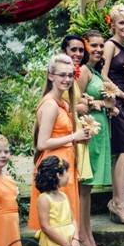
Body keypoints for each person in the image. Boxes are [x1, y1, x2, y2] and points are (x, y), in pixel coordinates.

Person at [28, 54, 91, 230]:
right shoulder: (50, 105)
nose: (67, 79)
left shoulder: (61, 103)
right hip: (53, 169)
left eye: (70, 75)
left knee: (68, 222)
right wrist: (73, 137)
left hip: (65, 165)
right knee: (59, 224)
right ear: (50, 76)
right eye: (62, 75)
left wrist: (81, 137)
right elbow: (42, 143)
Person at [77, 30, 117, 246]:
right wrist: (100, 104)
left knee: (88, 190)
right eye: (94, 45)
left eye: (102, 45)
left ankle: (88, 234)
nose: (99, 49)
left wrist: (109, 106)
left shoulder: (95, 70)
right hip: (88, 132)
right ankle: (82, 237)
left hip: (100, 131)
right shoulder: (82, 71)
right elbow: (75, 100)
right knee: (84, 189)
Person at [33, 155, 89, 246]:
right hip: (54, 243)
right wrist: (64, 243)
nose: (69, 175)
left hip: (70, 242)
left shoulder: (63, 196)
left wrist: (76, 238)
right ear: (58, 175)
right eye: (67, 172)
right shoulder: (44, 199)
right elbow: (45, 226)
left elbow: (73, 219)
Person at [102, 4, 124, 224]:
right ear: (113, 24)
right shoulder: (110, 45)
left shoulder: (123, 48)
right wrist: (123, 97)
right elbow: (102, 75)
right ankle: (118, 202)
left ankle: (117, 201)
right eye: (122, 22)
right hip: (116, 102)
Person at [61, 35, 93, 185]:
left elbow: (73, 98)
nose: (78, 54)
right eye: (73, 49)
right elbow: (55, 102)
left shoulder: (74, 73)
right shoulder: (60, 75)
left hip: (76, 128)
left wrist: (86, 101)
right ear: (64, 51)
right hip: (64, 129)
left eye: (81, 50)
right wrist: (78, 107)